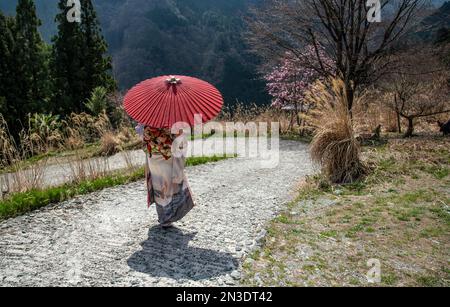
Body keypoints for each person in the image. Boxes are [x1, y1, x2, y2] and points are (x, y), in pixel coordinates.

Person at [136, 124, 195, 228]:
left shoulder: (146, 121)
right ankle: (169, 216)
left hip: (153, 158)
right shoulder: (169, 120)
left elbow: (141, 136)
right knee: (169, 187)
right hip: (166, 158)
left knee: (158, 186)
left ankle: (163, 218)